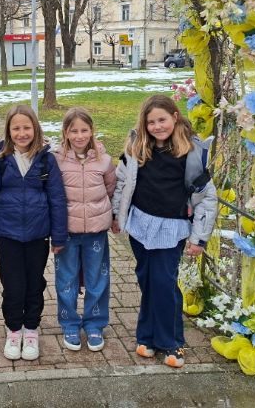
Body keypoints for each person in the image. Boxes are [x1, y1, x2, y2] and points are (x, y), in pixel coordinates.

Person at [112, 94, 217, 368]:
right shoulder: (137, 148)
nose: (157, 126)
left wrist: (199, 237)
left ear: (175, 116)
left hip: (171, 228)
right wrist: (116, 215)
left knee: (164, 282)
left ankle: (171, 341)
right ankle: (146, 336)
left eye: (162, 120)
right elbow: (122, 183)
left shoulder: (190, 153)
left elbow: (206, 198)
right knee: (147, 280)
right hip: (140, 226)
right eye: (151, 122)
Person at [0, 105, 68, 361]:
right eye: (16, 128)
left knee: (34, 284)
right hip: (7, 236)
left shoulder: (46, 160)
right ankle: (14, 329)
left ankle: (31, 329)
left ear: (35, 129)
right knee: (13, 286)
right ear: (8, 131)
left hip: (38, 236)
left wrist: (58, 236)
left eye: (26, 127)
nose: (22, 133)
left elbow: (57, 199)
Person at [52, 108, 117, 352]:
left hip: (96, 232)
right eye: (74, 131)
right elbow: (53, 193)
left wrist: (110, 215)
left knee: (97, 279)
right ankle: (69, 323)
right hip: (67, 232)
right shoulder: (56, 160)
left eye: (84, 130)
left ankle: (94, 323)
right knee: (66, 279)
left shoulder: (104, 160)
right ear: (66, 132)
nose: (79, 136)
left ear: (91, 131)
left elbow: (111, 189)